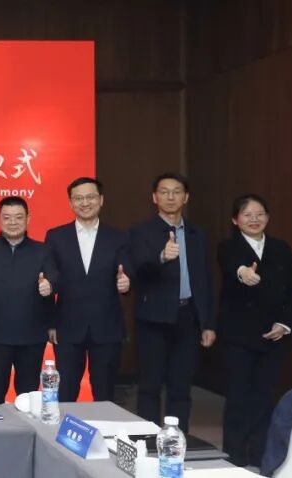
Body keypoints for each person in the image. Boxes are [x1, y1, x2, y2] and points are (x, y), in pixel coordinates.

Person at [217, 194, 292, 467]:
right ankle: (234, 455)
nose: (254, 219)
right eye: (247, 214)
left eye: (259, 214)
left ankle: (260, 454)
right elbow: (233, 267)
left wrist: (284, 323)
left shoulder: (280, 247)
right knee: (238, 395)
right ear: (235, 220)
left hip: (274, 335)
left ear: (267, 217)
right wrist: (244, 273)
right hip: (239, 336)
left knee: (265, 396)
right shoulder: (228, 246)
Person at [129, 172, 215, 432]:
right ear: (154, 197)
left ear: (185, 197)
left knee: (181, 387)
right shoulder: (141, 232)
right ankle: (147, 440)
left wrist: (208, 323)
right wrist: (162, 258)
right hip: (153, 319)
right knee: (150, 386)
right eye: (164, 192)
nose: (170, 197)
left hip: (188, 317)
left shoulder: (197, 233)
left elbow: (206, 280)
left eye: (176, 192)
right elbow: (137, 271)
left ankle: (177, 440)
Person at [44, 177, 131, 402]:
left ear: (101, 200)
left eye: (90, 197)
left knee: (104, 393)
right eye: (78, 198)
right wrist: (51, 322)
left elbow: (126, 271)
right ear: (71, 203)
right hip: (67, 326)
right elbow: (51, 279)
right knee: (65, 393)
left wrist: (126, 283)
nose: (85, 203)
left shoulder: (118, 237)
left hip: (106, 326)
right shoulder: (56, 236)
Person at [0, 196, 57, 403]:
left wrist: (50, 285)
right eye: (7, 217)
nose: (13, 222)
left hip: (32, 336)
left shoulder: (43, 250)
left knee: (28, 397)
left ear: (28, 219)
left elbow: (55, 279)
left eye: (18, 217)